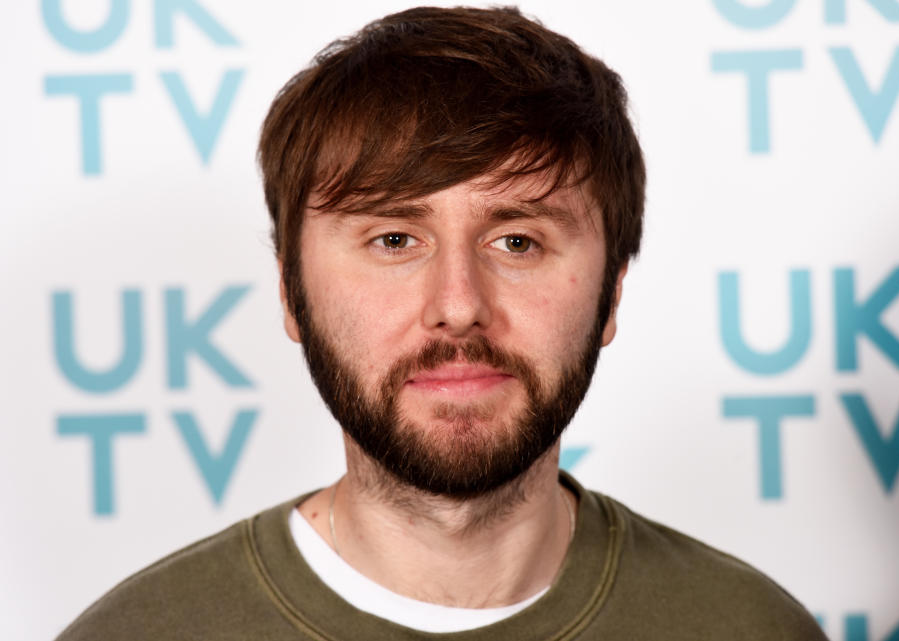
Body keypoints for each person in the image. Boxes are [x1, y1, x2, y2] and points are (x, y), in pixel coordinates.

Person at [57, 7, 827, 640]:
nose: (458, 303)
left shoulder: (749, 627)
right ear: (292, 295)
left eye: (517, 241)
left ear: (611, 296)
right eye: (394, 240)